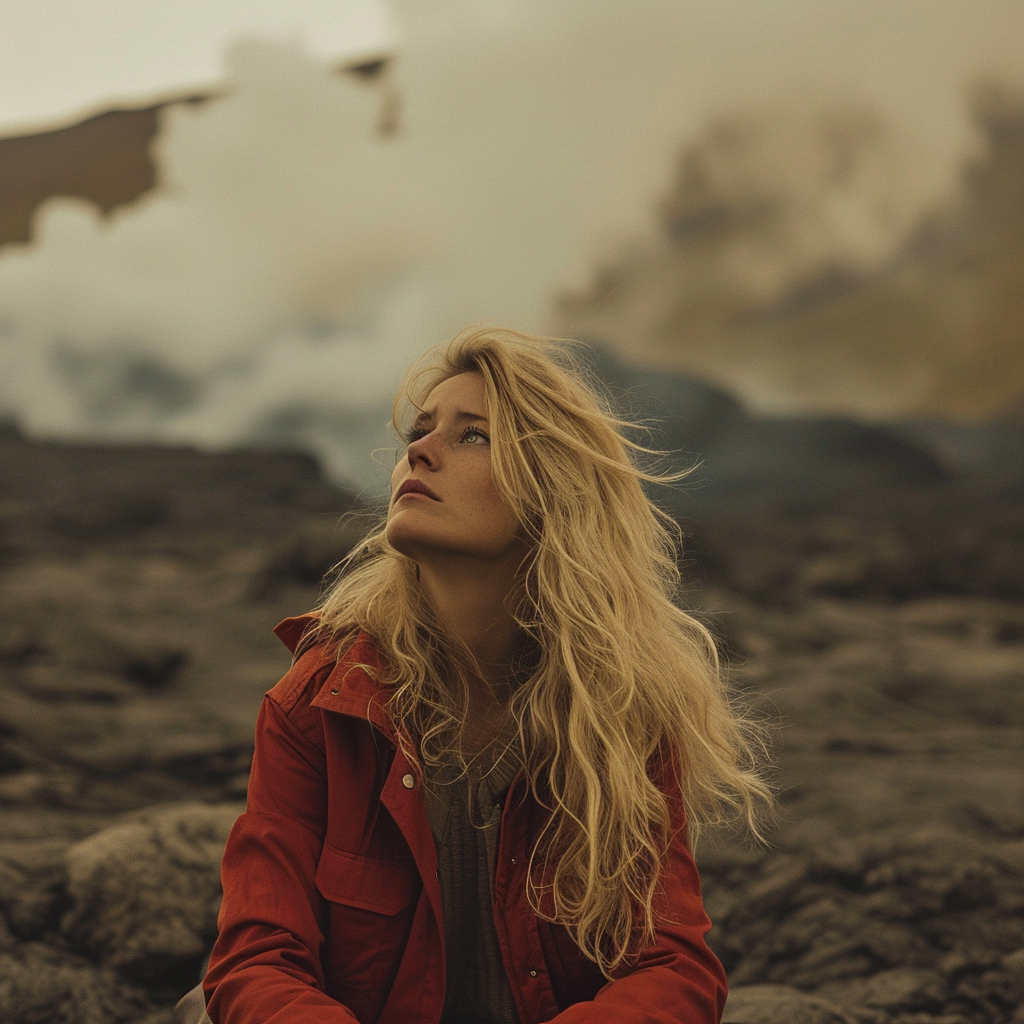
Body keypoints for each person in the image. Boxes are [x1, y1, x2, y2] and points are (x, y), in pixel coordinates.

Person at [196, 326, 773, 1024]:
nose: (419, 450)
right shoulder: (319, 701)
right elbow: (258, 957)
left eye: (472, 436)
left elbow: (671, 966)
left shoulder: (621, 708)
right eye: (420, 429)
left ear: (550, 492)